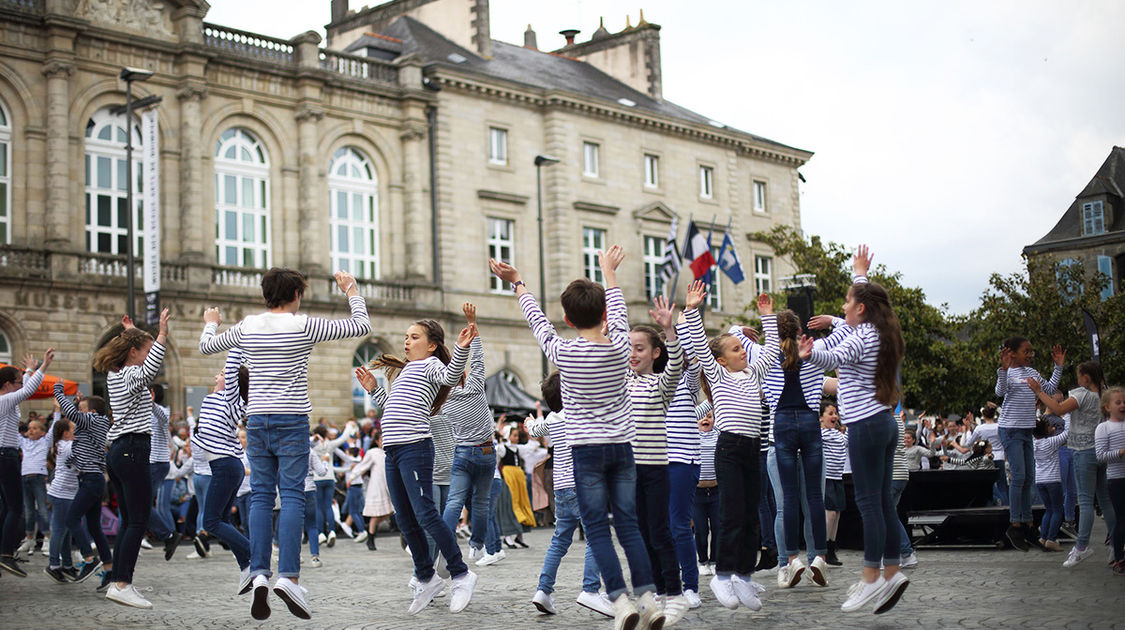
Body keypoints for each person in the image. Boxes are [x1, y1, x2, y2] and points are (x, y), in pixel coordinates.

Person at [490, 246, 665, 630]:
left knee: (598, 530)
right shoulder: (621, 345)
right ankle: (649, 598)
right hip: (622, 449)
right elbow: (618, 308)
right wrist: (609, 272)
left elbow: (537, 321)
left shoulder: (563, 352)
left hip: (586, 454)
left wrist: (517, 282)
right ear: (603, 315)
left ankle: (620, 602)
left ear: (568, 319)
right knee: (629, 526)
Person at [200, 268, 371, 620]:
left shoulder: (247, 326)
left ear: (265, 295)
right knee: (292, 495)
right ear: (295, 295)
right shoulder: (303, 324)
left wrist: (211, 322)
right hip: (291, 419)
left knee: (261, 496)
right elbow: (360, 325)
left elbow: (206, 346)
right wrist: (351, 289)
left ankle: (259, 572)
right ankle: (289, 577)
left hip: (257, 420)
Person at [798, 244, 907, 614]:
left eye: (847, 301)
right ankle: (892, 571)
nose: (843, 307)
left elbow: (835, 355)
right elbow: (849, 325)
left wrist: (809, 353)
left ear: (860, 308)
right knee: (881, 504)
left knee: (868, 504)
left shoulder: (860, 336)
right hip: (884, 422)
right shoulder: (880, 330)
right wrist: (860, 272)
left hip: (865, 426)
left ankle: (870, 578)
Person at [354, 316, 477, 615]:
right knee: (405, 519)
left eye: (414, 337)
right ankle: (426, 577)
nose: (407, 342)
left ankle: (461, 574)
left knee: (426, 515)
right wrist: (373, 389)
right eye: (406, 337)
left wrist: (460, 348)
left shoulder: (432, 366)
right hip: (393, 451)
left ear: (432, 345)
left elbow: (450, 377)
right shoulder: (408, 370)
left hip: (415, 448)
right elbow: (393, 405)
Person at [683, 283, 775, 612]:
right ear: (722, 359)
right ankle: (721, 575)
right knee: (732, 515)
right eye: (737, 349)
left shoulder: (754, 373)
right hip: (729, 449)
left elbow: (774, 351)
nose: (743, 351)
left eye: (744, 347)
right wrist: (692, 310)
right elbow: (699, 344)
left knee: (752, 516)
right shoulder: (719, 376)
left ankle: (744, 576)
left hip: (753, 449)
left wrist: (768, 319)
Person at [95, 310, 169, 608]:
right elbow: (149, 368)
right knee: (137, 520)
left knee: (130, 519)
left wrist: (133, 331)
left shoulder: (118, 372)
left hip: (121, 450)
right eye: (145, 350)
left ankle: (119, 581)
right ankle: (123, 583)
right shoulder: (131, 374)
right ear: (133, 352)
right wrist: (162, 333)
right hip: (132, 448)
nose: (150, 355)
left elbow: (143, 358)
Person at [527, 373, 611, 618]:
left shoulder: (553, 418)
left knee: (559, 540)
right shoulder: (584, 414)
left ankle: (543, 590)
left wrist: (530, 421)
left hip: (562, 488)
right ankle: (590, 589)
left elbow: (534, 429)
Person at [626, 296, 689, 623]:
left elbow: (677, 365)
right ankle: (653, 594)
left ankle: (675, 594)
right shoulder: (621, 384)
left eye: (639, 348)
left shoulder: (660, 385)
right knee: (639, 534)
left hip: (655, 469)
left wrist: (669, 330)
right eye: (629, 348)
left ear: (654, 353)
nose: (633, 353)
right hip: (627, 472)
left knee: (660, 531)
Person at [1029, 362, 1115, 568]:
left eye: (1079, 376)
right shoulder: (1104, 395)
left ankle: (1082, 546)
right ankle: (1116, 542)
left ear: (1086, 377)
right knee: (1104, 499)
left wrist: (1039, 391)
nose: (1077, 380)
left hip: (1083, 450)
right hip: (1100, 449)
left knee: (1085, 501)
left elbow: (1058, 408)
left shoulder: (1082, 395)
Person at [439, 303, 498, 564]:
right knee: (481, 503)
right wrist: (472, 324)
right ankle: (476, 546)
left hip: (461, 453)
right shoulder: (475, 386)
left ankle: (445, 544)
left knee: (454, 502)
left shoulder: (442, 400)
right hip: (486, 451)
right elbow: (478, 358)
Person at [190, 346, 252, 591]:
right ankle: (247, 568)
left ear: (231, 381)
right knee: (223, 519)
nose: (217, 376)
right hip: (226, 466)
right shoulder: (216, 399)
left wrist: (235, 341)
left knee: (211, 522)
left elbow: (234, 365)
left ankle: (254, 553)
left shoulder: (230, 400)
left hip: (226, 466)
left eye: (221, 373)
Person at [995, 334, 1065, 551]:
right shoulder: (1009, 373)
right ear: (1012, 353)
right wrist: (1004, 370)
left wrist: (1058, 367)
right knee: (1018, 477)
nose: (1030, 355)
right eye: (1026, 351)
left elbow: (1050, 390)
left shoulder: (1033, 372)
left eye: (1031, 351)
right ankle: (1015, 524)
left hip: (1027, 430)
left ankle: (1028, 524)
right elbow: (1000, 391)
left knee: (1029, 478)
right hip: (1010, 429)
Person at [53, 383, 113, 585]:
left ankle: (89, 558)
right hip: (93, 479)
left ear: (92, 412)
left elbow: (71, 413)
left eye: (83, 409)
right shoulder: (97, 421)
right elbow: (80, 441)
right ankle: (109, 570)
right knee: (95, 527)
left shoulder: (93, 419)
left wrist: (59, 392)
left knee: (71, 519)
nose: (79, 412)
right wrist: (78, 403)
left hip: (90, 480)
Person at [0, 349, 51, 577]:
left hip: (5, 455)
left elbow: (26, 389)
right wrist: (42, 367)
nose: (21, 385)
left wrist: (29, 370)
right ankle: (6, 555)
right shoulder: (4, 400)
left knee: (4, 508)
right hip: (6, 456)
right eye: (18, 382)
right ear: (8, 384)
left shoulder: (8, 401)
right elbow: (29, 390)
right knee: (15, 508)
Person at [43, 417, 84, 583]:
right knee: (60, 530)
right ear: (66, 433)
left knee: (66, 531)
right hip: (62, 494)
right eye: (74, 429)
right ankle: (53, 565)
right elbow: (81, 465)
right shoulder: (67, 446)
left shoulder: (62, 444)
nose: (76, 432)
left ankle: (67, 565)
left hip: (65, 493)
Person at [1094, 387, 1125, 575]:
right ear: (1107, 407)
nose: (1123, 405)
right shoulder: (1103, 428)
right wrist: (1121, 452)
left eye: (1124, 402)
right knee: (1121, 519)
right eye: (1118, 402)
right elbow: (1101, 456)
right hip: (1116, 479)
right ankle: (1118, 556)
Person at [346, 431, 394, 551]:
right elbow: (363, 465)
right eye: (381, 439)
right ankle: (371, 537)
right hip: (377, 486)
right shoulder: (373, 453)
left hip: (390, 485)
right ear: (377, 441)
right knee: (376, 513)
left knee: (391, 511)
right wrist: (352, 477)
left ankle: (371, 531)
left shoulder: (391, 452)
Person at [18, 408, 55, 558]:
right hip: (25, 478)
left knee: (42, 510)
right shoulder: (23, 442)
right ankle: (29, 538)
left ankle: (46, 538)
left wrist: (57, 411)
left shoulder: (44, 442)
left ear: (42, 432)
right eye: (29, 428)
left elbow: (54, 428)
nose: (31, 431)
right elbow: (11, 429)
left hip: (38, 477)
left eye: (35, 428)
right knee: (28, 510)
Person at [1032, 415, 1069, 551]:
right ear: (1046, 430)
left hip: (1040, 480)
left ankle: (1043, 537)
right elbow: (1067, 433)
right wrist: (1068, 415)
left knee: (1048, 510)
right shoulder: (1051, 442)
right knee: (1058, 510)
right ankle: (1051, 539)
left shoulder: (1033, 443)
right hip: (1053, 479)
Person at [820, 402, 847, 566]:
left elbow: (849, 437)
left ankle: (831, 547)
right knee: (829, 513)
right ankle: (822, 549)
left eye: (835, 413)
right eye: (830, 413)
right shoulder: (819, 434)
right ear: (821, 417)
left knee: (836, 513)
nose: (834, 416)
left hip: (838, 477)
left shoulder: (839, 435)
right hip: (827, 477)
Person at [694, 410, 719, 575]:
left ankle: (715, 559)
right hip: (697, 493)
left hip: (717, 490)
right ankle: (703, 561)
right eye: (702, 417)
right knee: (701, 530)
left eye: (709, 417)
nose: (705, 419)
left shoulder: (718, 434)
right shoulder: (693, 436)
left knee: (718, 527)